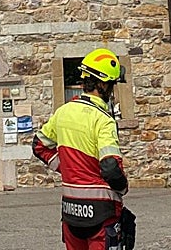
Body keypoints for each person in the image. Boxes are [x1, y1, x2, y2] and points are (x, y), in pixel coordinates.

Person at [33, 48, 129, 250]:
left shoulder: (63, 111)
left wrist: (67, 168)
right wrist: (122, 188)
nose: (112, 91)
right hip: (102, 211)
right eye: (112, 85)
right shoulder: (103, 120)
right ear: (103, 84)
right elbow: (111, 167)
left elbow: (38, 145)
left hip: (71, 210)